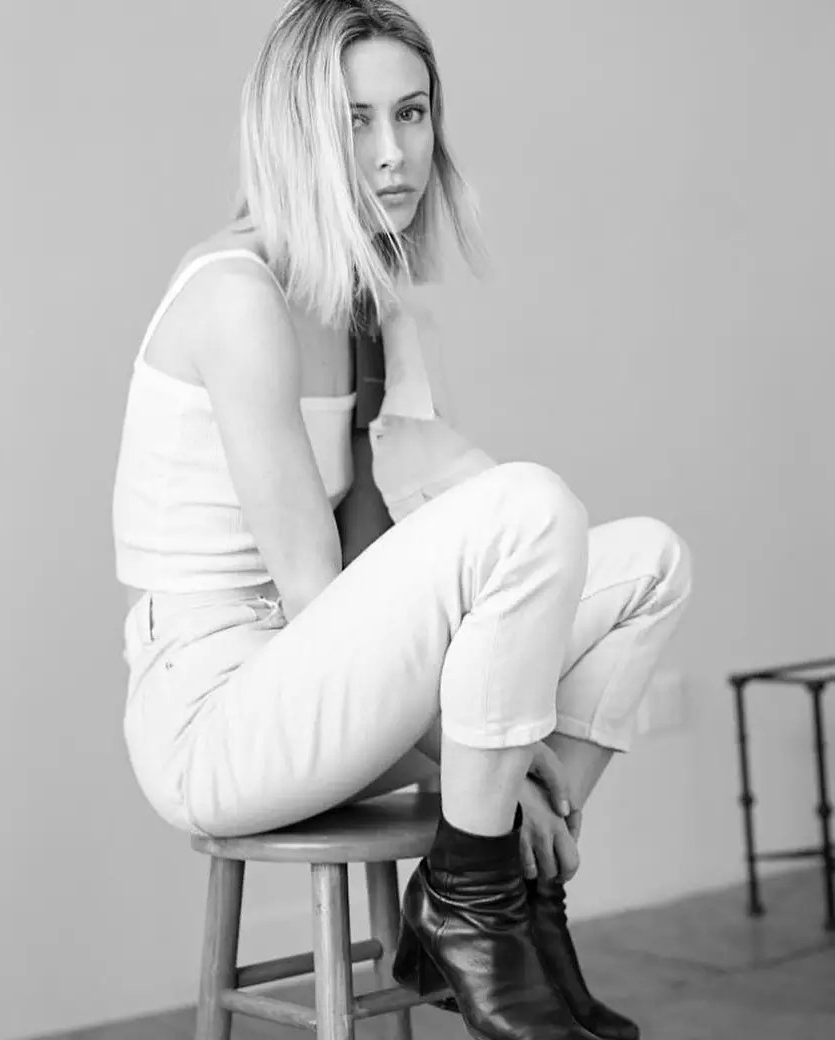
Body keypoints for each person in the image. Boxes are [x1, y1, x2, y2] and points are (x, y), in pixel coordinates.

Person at [111, 3, 693, 1039]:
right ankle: (477, 891)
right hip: (218, 719)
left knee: (649, 561)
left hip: (322, 690)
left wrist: (501, 752)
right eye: (356, 120)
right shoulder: (235, 297)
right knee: (529, 508)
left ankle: (498, 894)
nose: (394, 152)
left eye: (412, 113)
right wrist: (502, 766)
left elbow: (414, 564)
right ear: (293, 133)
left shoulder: (359, 305)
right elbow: (315, 592)